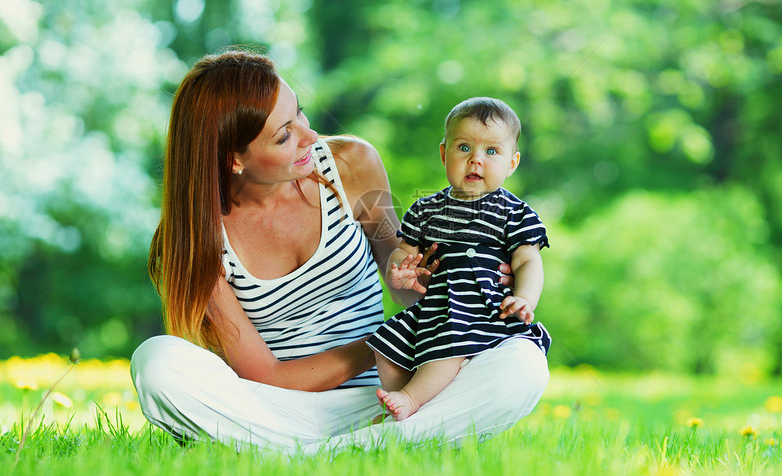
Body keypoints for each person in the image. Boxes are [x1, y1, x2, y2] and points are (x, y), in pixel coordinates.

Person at [129, 51, 549, 455]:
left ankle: (300, 455)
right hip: (275, 408)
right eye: (284, 135)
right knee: (157, 362)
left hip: (385, 397)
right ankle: (370, 449)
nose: (310, 136)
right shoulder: (191, 241)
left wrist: (454, 286)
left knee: (523, 364)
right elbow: (267, 376)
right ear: (233, 159)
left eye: (299, 114)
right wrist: (386, 341)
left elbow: (404, 279)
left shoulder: (352, 164)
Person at [367, 97, 551, 421]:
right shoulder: (425, 210)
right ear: (444, 153)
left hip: (478, 312)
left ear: (512, 162)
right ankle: (409, 409)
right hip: (433, 310)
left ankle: (410, 400)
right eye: (464, 148)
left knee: (451, 344)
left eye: (491, 151)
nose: (475, 160)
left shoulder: (515, 213)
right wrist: (399, 270)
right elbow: (406, 252)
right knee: (386, 347)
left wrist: (523, 297)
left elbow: (527, 261)